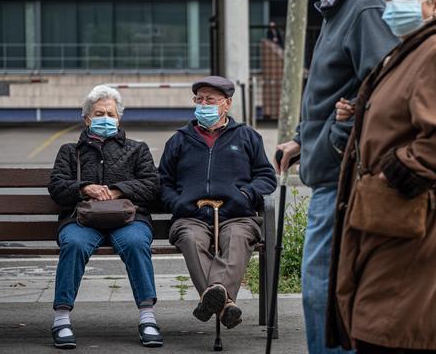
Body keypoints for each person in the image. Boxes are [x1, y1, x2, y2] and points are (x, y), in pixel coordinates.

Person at [328, 0, 436, 353]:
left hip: (413, 229)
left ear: (435, 3)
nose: (396, 5)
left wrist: (393, 176)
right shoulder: (414, 48)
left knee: (389, 333)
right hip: (397, 227)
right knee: (379, 330)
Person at [274, 0, 399, 354]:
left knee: (322, 290)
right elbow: (337, 91)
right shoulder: (337, 4)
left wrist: (331, 142)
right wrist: (301, 140)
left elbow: (382, 97)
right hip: (330, 171)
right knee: (325, 290)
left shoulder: (365, 6)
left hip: (342, 179)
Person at [48, 85, 163, 349]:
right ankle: (61, 318)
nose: (105, 118)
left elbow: (152, 186)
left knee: (136, 243)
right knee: (74, 244)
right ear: (87, 118)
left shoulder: (137, 149)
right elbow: (56, 187)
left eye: (111, 113)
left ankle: (147, 317)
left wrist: (118, 190)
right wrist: (83, 188)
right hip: (82, 220)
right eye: (99, 113)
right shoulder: (70, 151)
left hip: (129, 219)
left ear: (119, 118)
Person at [159, 76, 276, 329]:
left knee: (237, 237)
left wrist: (245, 195)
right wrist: (177, 203)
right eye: (199, 99)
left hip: (236, 214)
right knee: (190, 237)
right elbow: (163, 182)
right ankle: (226, 304)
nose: (203, 104)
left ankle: (216, 295)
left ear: (227, 104)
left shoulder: (247, 136)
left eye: (210, 100)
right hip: (191, 215)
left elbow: (266, 177)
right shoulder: (179, 140)